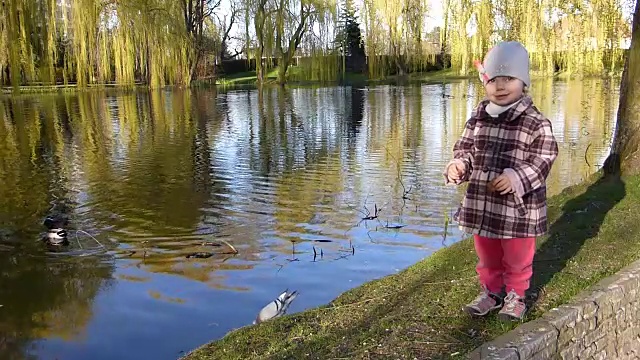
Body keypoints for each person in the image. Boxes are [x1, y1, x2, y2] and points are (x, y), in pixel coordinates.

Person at [443, 41, 559, 322]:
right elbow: (467, 149)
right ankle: (491, 293)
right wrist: (459, 165)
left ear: (523, 81)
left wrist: (516, 176)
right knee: (487, 254)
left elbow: (545, 158)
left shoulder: (535, 122)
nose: (500, 85)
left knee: (518, 257)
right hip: (483, 204)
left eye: (508, 78)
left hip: (517, 210)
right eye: (494, 79)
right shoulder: (478, 117)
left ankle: (516, 296)